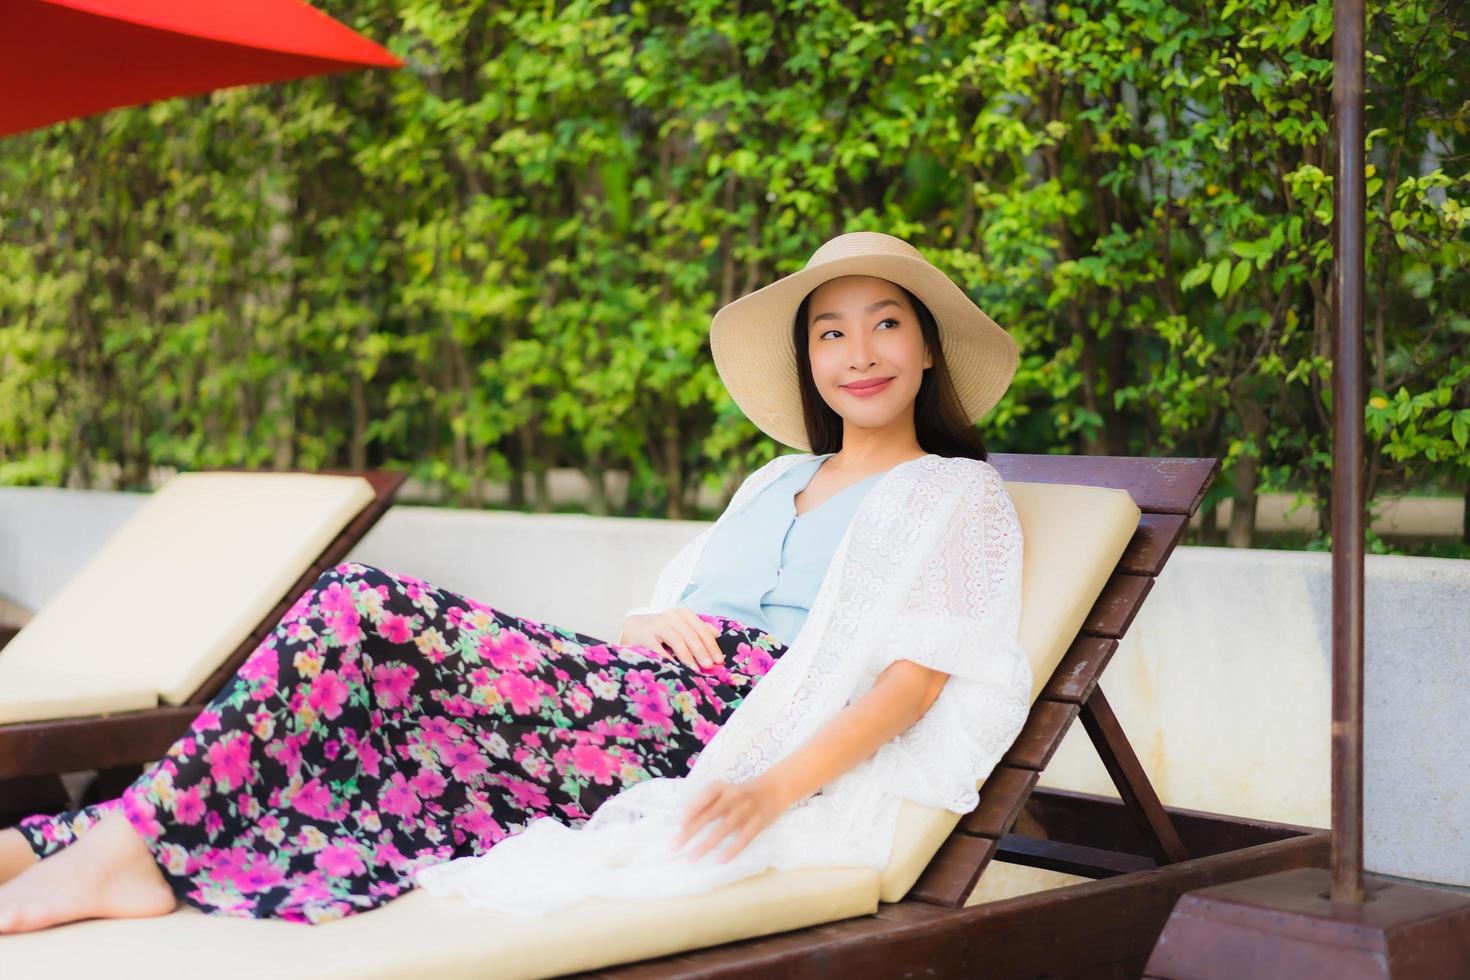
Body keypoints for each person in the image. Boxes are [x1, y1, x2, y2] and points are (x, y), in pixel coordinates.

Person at [0, 230, 1027, 931]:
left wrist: (769, 786)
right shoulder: (775, 477)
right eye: (830, 330)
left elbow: (913, 682)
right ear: (808, 359)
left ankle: (110, 848)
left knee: (363, 607)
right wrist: (656, 617)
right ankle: (73, 839)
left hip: (728, 726)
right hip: (637, 690)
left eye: (886, 322)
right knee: (363, 717)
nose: (859, 352)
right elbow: (669, 605)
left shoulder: (951, 493)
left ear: (929, 349)